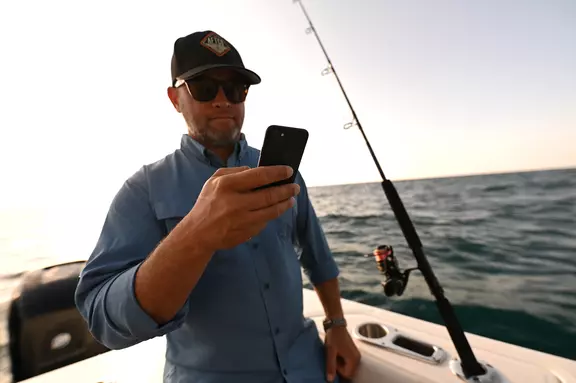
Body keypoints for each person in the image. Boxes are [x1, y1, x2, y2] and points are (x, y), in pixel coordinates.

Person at [75, 30, 361, 383]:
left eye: (236, 89)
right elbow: (102, 321)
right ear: (175, 99)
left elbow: (318, 256)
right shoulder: (143, 189)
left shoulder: (284, 172)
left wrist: (336, 324)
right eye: (204, 88)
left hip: (309, 367)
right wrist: (195, 236)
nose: (223, 100)